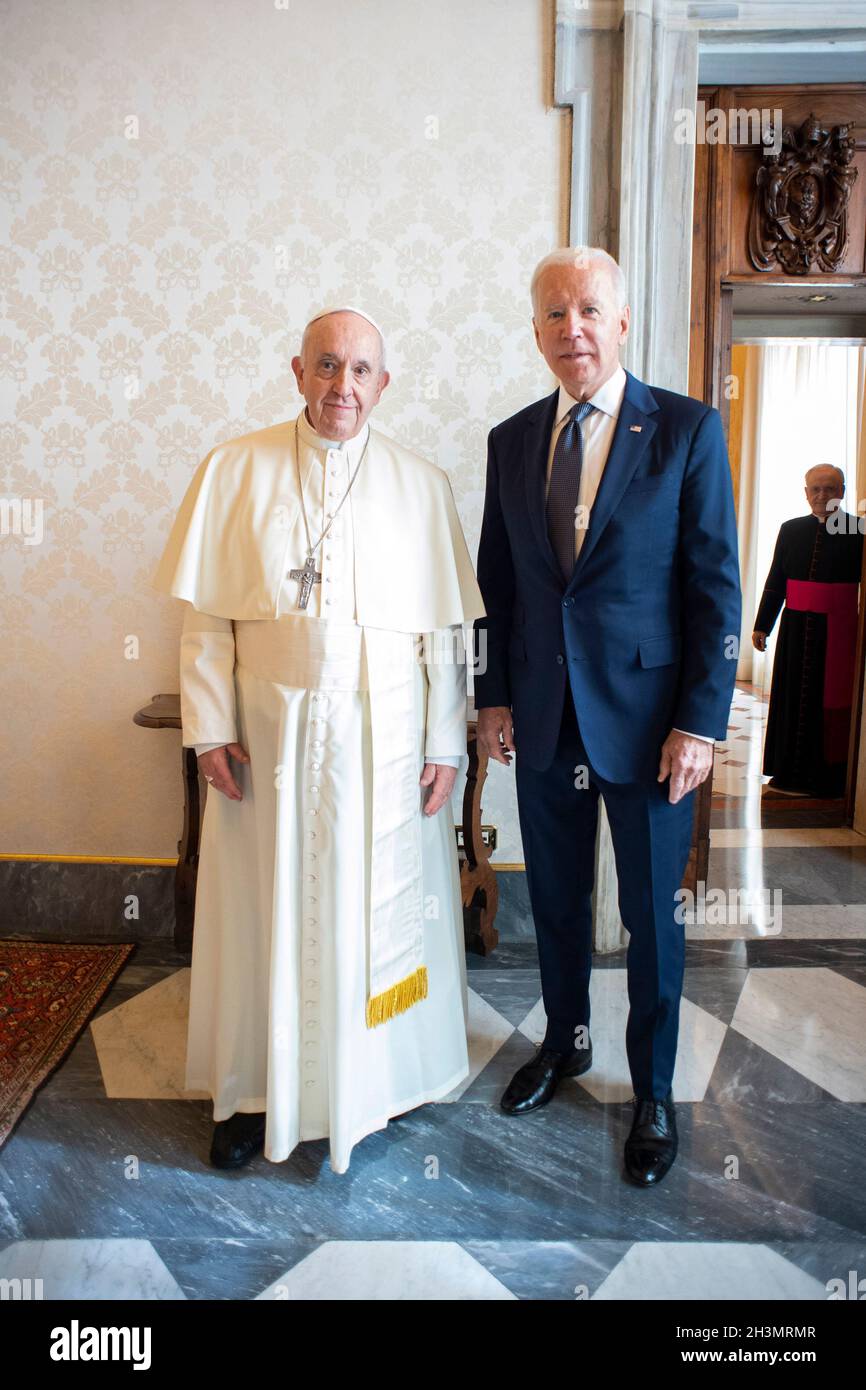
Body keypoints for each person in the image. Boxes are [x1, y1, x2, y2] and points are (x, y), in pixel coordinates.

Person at [151, 306, 484, 1174]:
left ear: (384, 382)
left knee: (375, 906)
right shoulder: (234, 468)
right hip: (269, 730)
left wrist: (447, 743)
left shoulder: (422, 482)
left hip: (386, 731)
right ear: (296, 372)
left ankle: (375, 1080)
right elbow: (204, 620)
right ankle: (251, 1090)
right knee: (264, 906)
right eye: (327, 366)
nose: (345, 386)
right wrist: (210, 727)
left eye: (362, 370)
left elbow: (445, 636)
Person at [472, 247, 741, 1187]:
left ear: (623, 322)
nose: (571, 328)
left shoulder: (687, 431)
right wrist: (492, 695)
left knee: (653, 921)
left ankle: (655, 1089)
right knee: (553, 904)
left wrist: (700, 725)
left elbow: (716, 589)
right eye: (553, 313)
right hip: (545, 717)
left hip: (652, 725)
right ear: (536, 330)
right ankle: (566, 1044)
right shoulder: (510, 441)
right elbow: (495, 590)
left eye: (589, 310)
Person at [753, 464, 862, 797]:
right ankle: (787, 771)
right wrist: (762, 625)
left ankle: (828, 777)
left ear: (841, 491)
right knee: (791, 697)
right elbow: (776, 581)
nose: (821, 495)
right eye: (815, 489)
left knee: (830, 703)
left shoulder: (859, 531)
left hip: (840, 631)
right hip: (795, 627)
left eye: (829, 489)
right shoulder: (790, 529)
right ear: (805, 492)